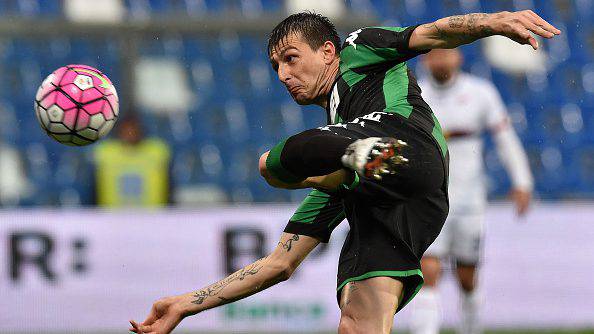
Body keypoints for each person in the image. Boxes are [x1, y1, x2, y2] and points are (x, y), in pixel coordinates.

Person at [130, 10, 559, 334]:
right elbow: (278, 265)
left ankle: (356, 165)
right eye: (276, 67)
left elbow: (432, 33)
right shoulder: (336, 153)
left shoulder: (358, 48)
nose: (283, 75)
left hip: (408, 152)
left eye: (291, 59)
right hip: (390, 196)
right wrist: (185, 305)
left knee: (279, 159)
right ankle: (349, 173)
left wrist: (495, 21)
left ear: (328, 52)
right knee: (355, 323)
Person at [409, 48, 533, 334]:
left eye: (446, 53)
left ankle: (470, 328)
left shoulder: (481, 93)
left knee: (467, 278)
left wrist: (522, 181)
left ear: (459, 58)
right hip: (427, 199)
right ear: (426, 60)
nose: (440, 59)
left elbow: (505, 139)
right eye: (434, 54)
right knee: (428, 272)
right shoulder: (416, 95)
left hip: (469, 201)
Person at [93, 113, 172, 207]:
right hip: (112, 216)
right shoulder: (105, 152)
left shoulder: (157, 151)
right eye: (126, 130)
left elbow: (169, 185)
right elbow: (94, 187)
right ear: (119, 131)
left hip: (152, 215)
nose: (130, 134)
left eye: (134, 129)